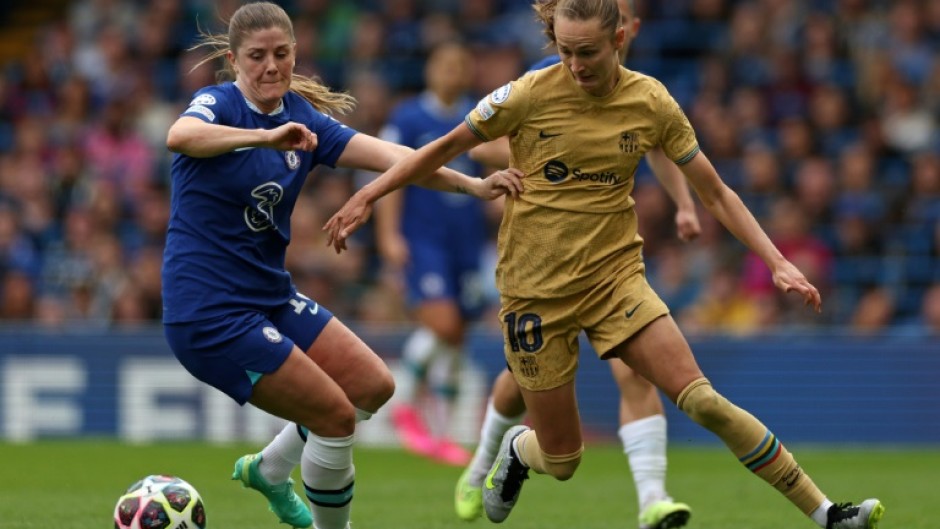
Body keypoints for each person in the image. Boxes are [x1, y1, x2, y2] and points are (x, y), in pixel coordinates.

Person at [322, 1, 885, 528]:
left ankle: (827, 513)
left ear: (619, 38)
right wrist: (369, 195)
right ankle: (519, 450)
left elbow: (714, 191)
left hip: (616, 281)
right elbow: (441, 148)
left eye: (586, 51)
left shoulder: (652, 101)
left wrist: (778, 261)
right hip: (534, 294)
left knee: (704, 401)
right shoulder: (525, 94)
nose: (574, 64)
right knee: (564, 460)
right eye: (564, 50)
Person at [161, 3, 523, 529]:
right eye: (257, 57)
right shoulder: (217, 104)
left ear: (295, 53)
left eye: (281, 54)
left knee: (372, 386)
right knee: (333, 416)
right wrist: (265, 137)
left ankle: (270, 467)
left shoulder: (303, 116)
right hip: (208, 313)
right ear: (235, 61)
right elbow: (180, 136)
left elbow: (398, 156)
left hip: (266, 296)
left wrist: (471, 184)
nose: (270, 67)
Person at [458, 0, 699, 527]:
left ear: (625, 32)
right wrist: (550, 162)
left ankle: (652, 499)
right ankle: (482, 466)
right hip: (545, 268)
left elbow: (658, 146)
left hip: (609, 264)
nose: (628, 32)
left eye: (631, 24)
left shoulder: (642, 96)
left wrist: (683, 202)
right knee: (521, 383)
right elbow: (480, 149)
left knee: (636, 373)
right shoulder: (548, 85)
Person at [373, 41, 483, 467]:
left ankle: (443, 434)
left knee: (458, 335)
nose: (453, 72)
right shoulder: (407, 119)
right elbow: (391, 175)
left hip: (466, 241)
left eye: (460, 64)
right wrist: (389, 235)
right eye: (445, 64)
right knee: (444, 321)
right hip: (424, 239)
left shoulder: (478, 117)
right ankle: (402, 403)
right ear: (431, 70)